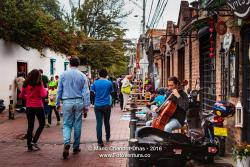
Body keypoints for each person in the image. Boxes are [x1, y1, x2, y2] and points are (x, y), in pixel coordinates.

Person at [56, 56, 90, 160]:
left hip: (67, 101)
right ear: (78, 64)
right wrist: (86, 107)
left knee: (66, 124)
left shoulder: (63, 74)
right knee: (77, 124)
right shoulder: (83, 76)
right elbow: (86, 92)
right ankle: (76, 147)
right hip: (79, 101)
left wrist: (57, 103)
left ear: (69, 64)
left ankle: (66, 142)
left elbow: (59, 90)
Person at [19, 69, 47, 152]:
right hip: (38, 106)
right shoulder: (39, 84)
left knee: (30, 126)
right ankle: (34, 141)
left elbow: (21, 96)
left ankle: (29, 146)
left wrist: (27, 97)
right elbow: (43, 95)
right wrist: (45, 90)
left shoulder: (25, 84)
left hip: (29, 107)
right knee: (42, 124)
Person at [91, 69, 114, 147]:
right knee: (107, 122)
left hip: (97, 105)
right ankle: (107, 137)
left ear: (99, 75)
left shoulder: (95, 83)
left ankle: (99, 141)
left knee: (99, 123)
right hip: (106, 105)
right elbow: (111, 92)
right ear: (106, 74)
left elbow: (92, 92)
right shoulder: (109, 83)